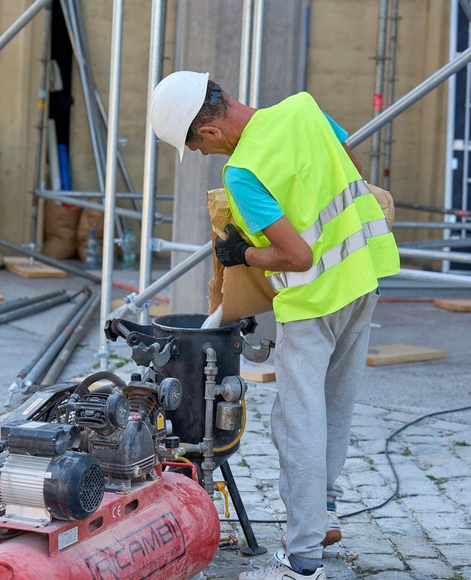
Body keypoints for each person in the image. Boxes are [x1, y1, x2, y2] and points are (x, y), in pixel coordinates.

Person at [149, 71, 400, 580]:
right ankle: (324, 512)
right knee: (336, 402)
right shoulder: (303, 108)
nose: (204, 156)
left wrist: (242, 251)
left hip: (314, 300)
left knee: (297, 422)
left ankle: (303, 558)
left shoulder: (244, 173)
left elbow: (296, 255)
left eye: (197, 148)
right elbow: (348, 166)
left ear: (211, 132)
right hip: (365, 275)